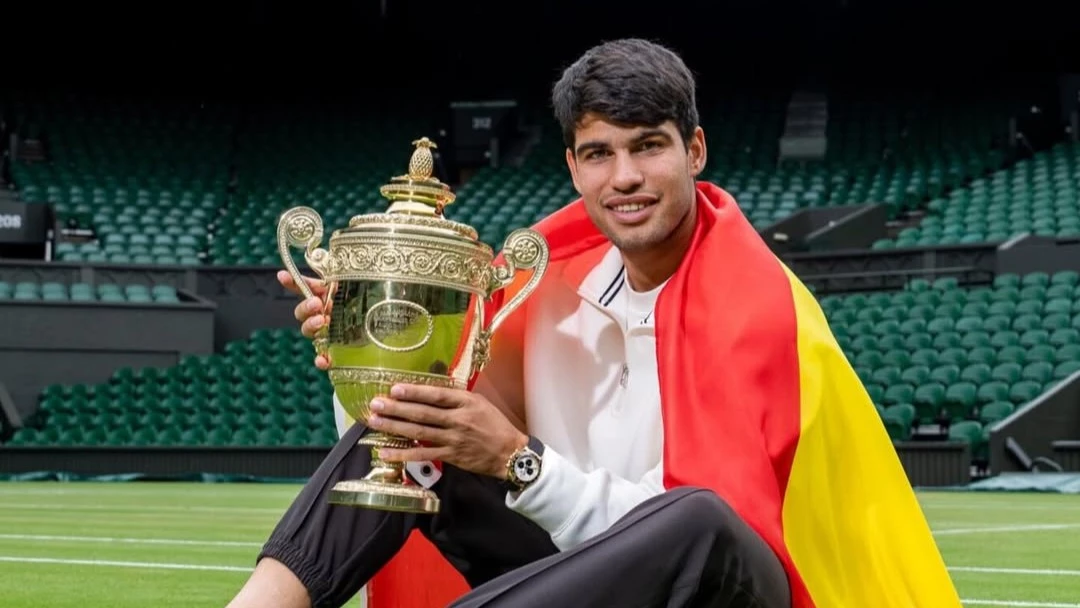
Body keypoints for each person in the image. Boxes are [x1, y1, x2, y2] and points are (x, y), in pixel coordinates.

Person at [228, 38, 961, 608]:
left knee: (697, 519)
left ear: (693, 151)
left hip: (722, 589)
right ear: (575, 170)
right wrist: (380, 337)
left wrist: (521, 460)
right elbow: (410, 440)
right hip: (569, 577)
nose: (626, 178)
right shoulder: (543, 291)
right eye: (600, 154)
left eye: (648, 146)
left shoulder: (758, 308)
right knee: (415, 416)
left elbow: (702, 534)